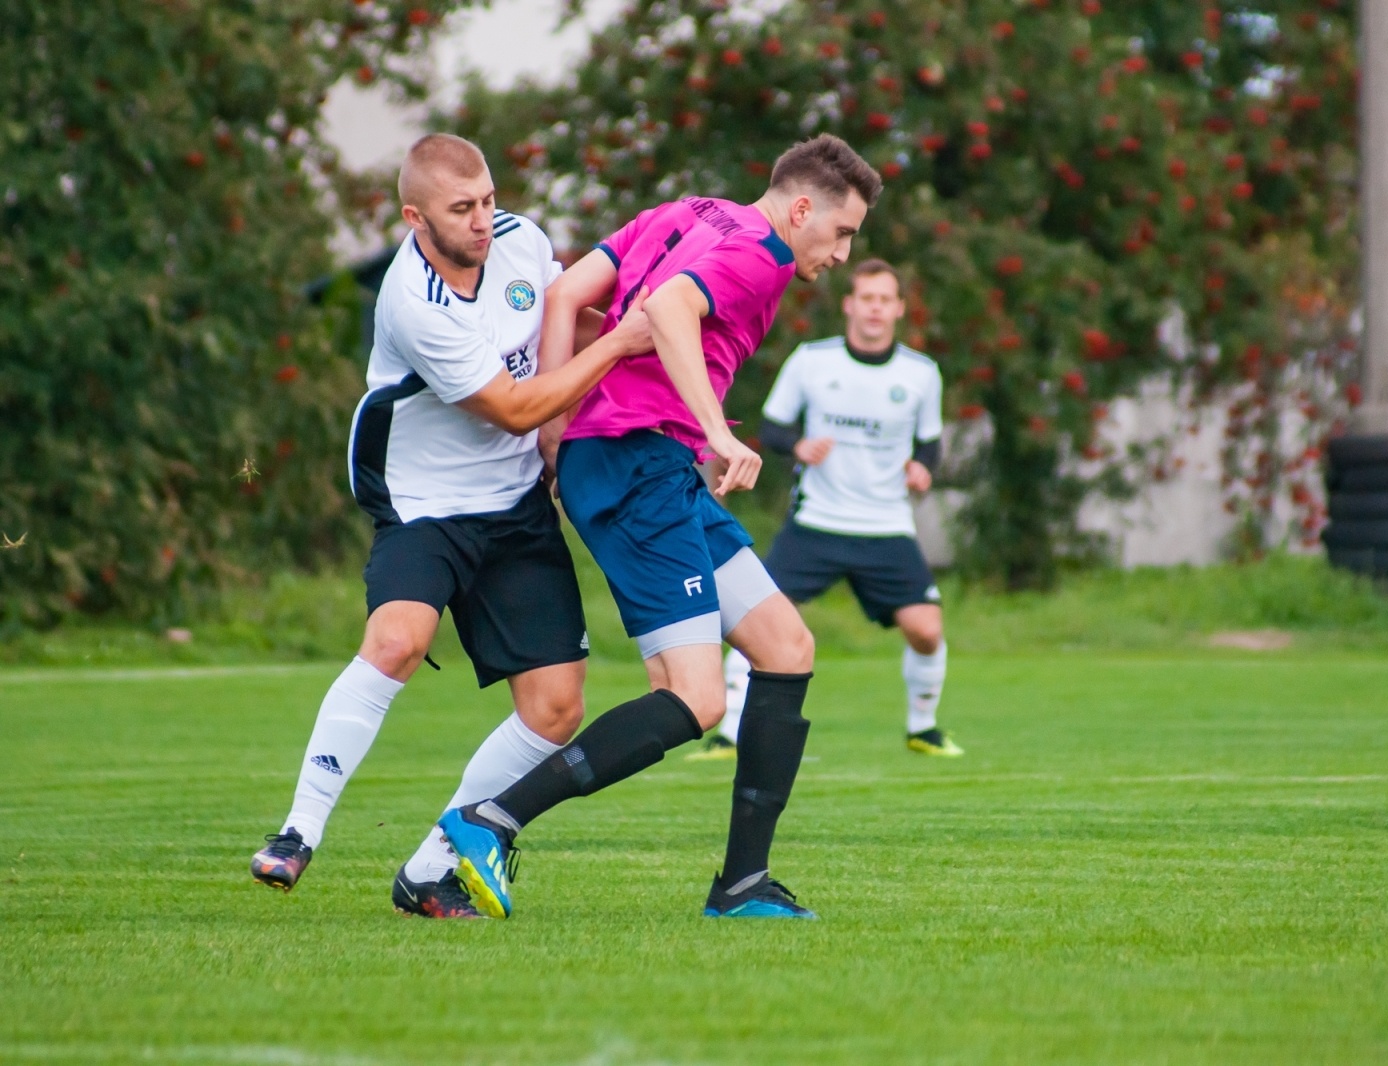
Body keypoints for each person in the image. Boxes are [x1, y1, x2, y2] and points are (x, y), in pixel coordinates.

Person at [437, 134, 882, 920]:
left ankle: (742, 885)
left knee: (786, 647)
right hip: (634, 467)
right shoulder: (760, 254)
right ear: (803, 207)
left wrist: (552, 418)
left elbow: (566, 294)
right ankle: (488, 820)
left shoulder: (687, 211)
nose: (843, 253)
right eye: (842, 232)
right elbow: (671, 307)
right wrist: (714, 428)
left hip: (643, 462)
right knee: (695, 697)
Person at [249, 133, 653, 918]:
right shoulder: (412, 301)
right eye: (461, 208)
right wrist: (624, 344)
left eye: (489, 200)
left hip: (515, 507)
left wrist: (664, 323)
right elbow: (513, 408)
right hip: (423, 505)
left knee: (557, 709)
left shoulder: (521, 240)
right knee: (398, 640)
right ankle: (299, 831)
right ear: (415, 216)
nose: (482, 220)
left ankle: (432, 864)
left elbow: (565, 307)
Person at [690, 258, 960, 762]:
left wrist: (923, 468)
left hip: (886, 526)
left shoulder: (921, 374)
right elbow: (771, 429)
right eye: (867, 298)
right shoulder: (813, 361)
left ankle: (923, 727)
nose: (875, 309)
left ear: (899, 309)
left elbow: (929, 445)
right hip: (816, 524)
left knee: (927, 628)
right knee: (754, 617)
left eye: (885, 300)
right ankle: (728, 731)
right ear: (850, 305)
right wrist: (800, 446)